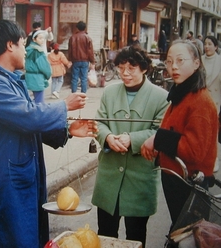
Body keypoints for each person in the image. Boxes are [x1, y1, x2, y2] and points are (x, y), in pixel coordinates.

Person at [0, 20, 98, 248]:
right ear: (10, 45)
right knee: (7, 238)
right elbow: (28, 116)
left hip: (16, 175)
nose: (26, 51)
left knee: (27, 236)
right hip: (0, 181)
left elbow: (28, 124)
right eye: (22, 44)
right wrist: (64, 106)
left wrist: (68, 130)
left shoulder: (11, 80)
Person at [91, 46, 169, 248]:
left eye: (131, 68)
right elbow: (99, 122)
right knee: (105, 233)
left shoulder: (161, 97)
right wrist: (107, 137)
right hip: (109, 174)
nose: (125, 73)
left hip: (140, 176)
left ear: (144, 68)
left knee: (135, 235)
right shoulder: (109, 92)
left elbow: (161, 132)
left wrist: (131, 139)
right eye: (121, 68)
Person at [141, 40, 218, 233]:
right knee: (181, 232)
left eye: (180, 60)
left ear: (196, 63)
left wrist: (157, 139)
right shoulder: (182, 93)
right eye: (169, 61)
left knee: (190, 236)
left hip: (190, 183)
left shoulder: (199, 101)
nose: (174, 66)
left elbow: (193, 151)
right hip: (176, 179)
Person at [202, 35, 221, 172]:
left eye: (210, 44)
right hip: (201, 99)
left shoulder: (220, 62)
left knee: (213, 131)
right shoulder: (199, 61)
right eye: (205, 44)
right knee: (202, 130)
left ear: (216, 47)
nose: (207, 46)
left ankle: (214, 160)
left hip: (215, 100)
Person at [68, 21, 95, 94]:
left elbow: (70, 50)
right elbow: (90, 51)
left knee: (74, 78)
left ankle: (74, 93)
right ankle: (83, 94)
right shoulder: (88, 38)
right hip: (85, 61)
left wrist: (69, 60)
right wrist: (92, 61)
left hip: (75, 60)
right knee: (84, 78)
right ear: (85, 28)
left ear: (77, 28)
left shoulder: (72, 37)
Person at [25, 30, 52, 103]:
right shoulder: (38, 51)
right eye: (40, 38)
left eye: (43, 38)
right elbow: (44, 67)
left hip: (29, 76)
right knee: (39, 102)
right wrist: (48, 74)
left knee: (33, 100)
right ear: (34, 39)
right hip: (37, 78)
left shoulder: (28, 49)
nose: (42, 40)